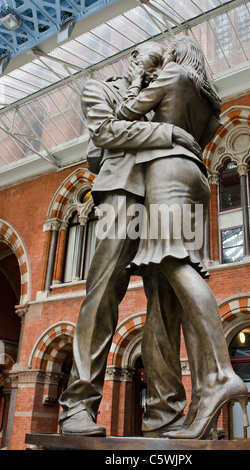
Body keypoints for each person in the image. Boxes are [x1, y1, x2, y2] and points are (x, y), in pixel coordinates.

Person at [58, 41, 201, 436]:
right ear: (133, 59)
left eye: (161, 62)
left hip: (167, 194)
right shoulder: (99, 89)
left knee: (165, 303)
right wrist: (168, 131)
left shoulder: (168, 89)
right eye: (148, 60)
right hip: (122, 190)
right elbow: (105, 133)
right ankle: (77, 408)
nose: (154, 67)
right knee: (103, 293)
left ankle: (165, 413)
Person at [117, 36, 248, 439]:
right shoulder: (208, 96)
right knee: (170, 277)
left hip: (168, 173)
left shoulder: (171, 74)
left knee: (173, 263)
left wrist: (140, 76)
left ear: (175, 54)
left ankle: (219, 375)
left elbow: (126, 113)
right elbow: (204, 136)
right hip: (196, 175)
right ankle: (193, 398)